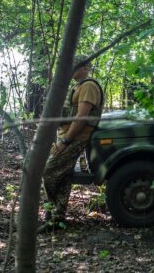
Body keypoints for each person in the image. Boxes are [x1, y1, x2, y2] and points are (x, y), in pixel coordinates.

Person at [38, 55, 104, 233]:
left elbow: (81, 117)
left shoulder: (89, 86)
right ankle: (56, 219)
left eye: (75, 67)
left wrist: (66, 141)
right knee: (63, 176)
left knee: (48, 172)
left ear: (84, 68)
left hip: (76, 137)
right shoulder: (79, 86)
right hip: (67, 135)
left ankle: (52, 213)